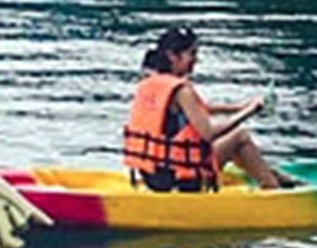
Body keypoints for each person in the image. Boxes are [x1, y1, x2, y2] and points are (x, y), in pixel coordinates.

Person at [122, 28, 295, 193]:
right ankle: (273, 189)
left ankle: (279, 178)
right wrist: (249, 111)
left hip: (154, 175)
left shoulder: (151, 82)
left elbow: (196, 110)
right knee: (240, 137)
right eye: (192, 54)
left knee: (232, 144)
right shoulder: (182, 91)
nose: (196, 60)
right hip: (180, 181)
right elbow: (208, 133)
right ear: (172, 56)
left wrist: (236, 108)